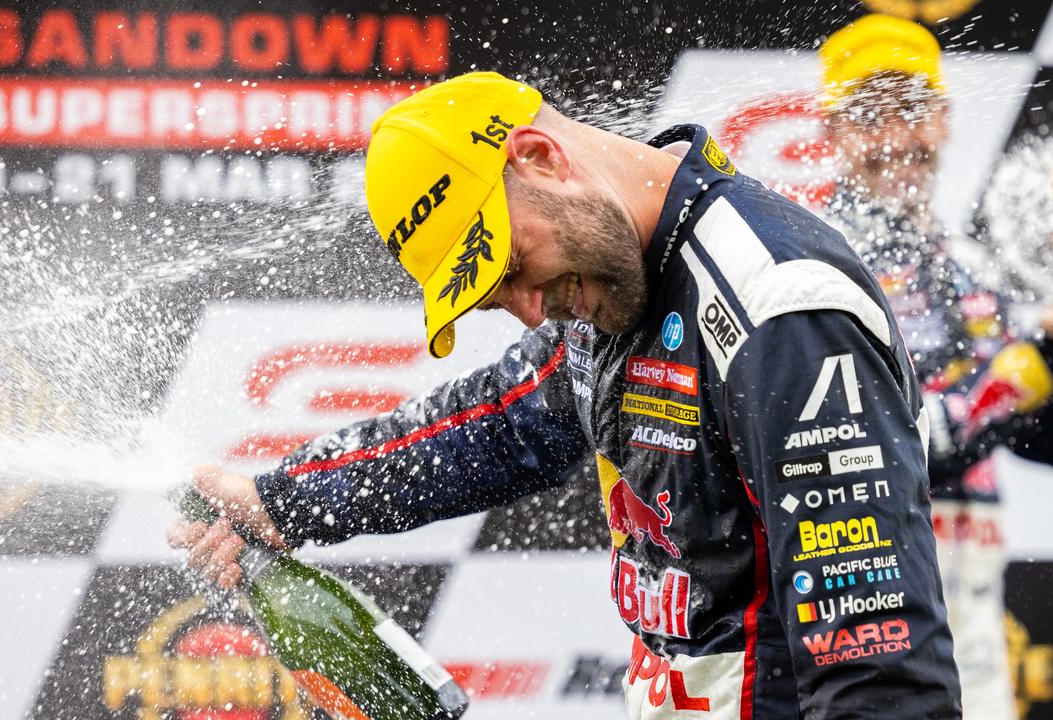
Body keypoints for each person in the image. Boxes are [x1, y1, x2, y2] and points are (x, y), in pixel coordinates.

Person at [170, 71, 963, 718]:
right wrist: (285, 499)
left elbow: (878, 660)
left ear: (542, 157)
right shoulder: (613, 283)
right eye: (492, 298)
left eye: (512, 267)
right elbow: (498, 424)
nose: (527, 308)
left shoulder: (781, 308)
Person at [818, 15, 1053, 720]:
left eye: (914, 111)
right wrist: (1031, 361)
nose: (896, 138)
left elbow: (1042, 441)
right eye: (872, 116)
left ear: (947, 119)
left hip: (976, 632)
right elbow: (898, 451)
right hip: (871, 630)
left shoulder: (968, 267)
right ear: (832, 132)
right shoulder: (818, 263)